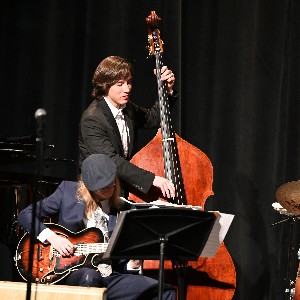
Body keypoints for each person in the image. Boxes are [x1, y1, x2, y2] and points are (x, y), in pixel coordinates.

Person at [17, 153, 176, 300]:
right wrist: (52, 238)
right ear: (88, 185)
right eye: (102, 187)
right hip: (70, 272)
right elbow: (25, 214)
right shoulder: (67, 192)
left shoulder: (124, 209)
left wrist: (133, 264)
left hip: (109, 275)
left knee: (165, 292)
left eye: (111, 184)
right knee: (90, 277)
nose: (108, 189)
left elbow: (123, 262)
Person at [79, 56, 177, 199]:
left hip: (120, 189)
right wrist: (153, 179)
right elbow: (111, 161)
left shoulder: (127, 107)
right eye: (120, 84)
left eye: (129, 82)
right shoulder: (92, 119)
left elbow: (153, 118)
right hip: (97, 193)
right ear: (105, 85)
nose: (127, 89)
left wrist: (166, 91)